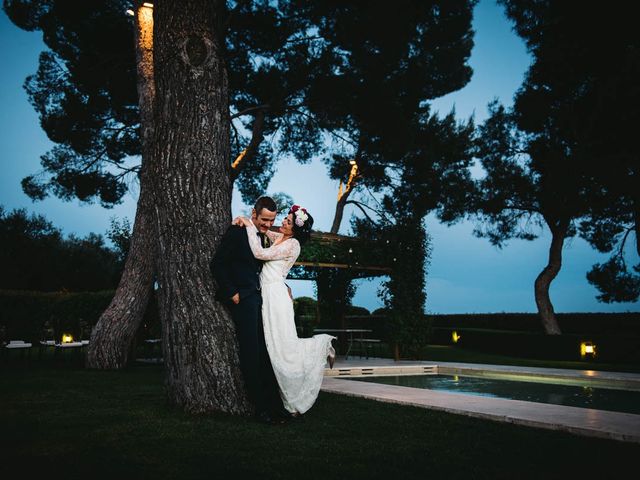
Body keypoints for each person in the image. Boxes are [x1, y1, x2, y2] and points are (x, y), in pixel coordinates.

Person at [234, 205, 336, 416]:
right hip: (267, 295)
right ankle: (280, 394)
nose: (282, 223)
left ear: (295, 229)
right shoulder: (279, 238)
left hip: (277, 298)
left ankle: (324, 346)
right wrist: (246, 221)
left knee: (283, 348)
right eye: (285, 219)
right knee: (273, 347)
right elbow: (261, 231)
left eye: (288, 222)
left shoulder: (293, 244)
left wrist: (248, 226)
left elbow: (259, 252)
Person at [210, 196, 287, 425]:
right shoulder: (237, 232)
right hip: (243, 299)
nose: (266, 224)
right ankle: (261, 409)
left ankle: (276, 408)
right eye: (264, 219)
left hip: (260, 300)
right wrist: (232, 292)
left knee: (265, 355)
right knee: (251, 355)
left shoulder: (264, 237)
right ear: (254, 214)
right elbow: (217, 264)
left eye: (271, 220)